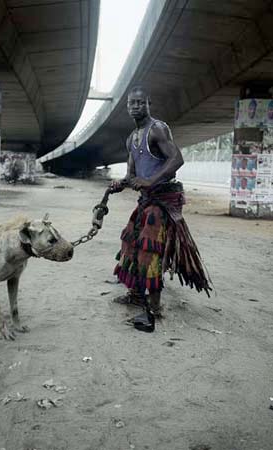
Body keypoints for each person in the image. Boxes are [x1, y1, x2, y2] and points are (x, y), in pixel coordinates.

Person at [110, 86, 211, 318]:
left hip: (162, 201)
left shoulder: (157, 129)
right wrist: (120, 184)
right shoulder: (131, 140)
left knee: (150, 251)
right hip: (147, 200)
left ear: (148, 104)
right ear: (127, 107)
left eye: (140, 102)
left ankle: (155, 307)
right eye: (131, 103)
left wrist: (150, 181)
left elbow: (177, 159)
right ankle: (136, 295)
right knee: (131, 243)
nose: (135, 107)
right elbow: (131, 175)